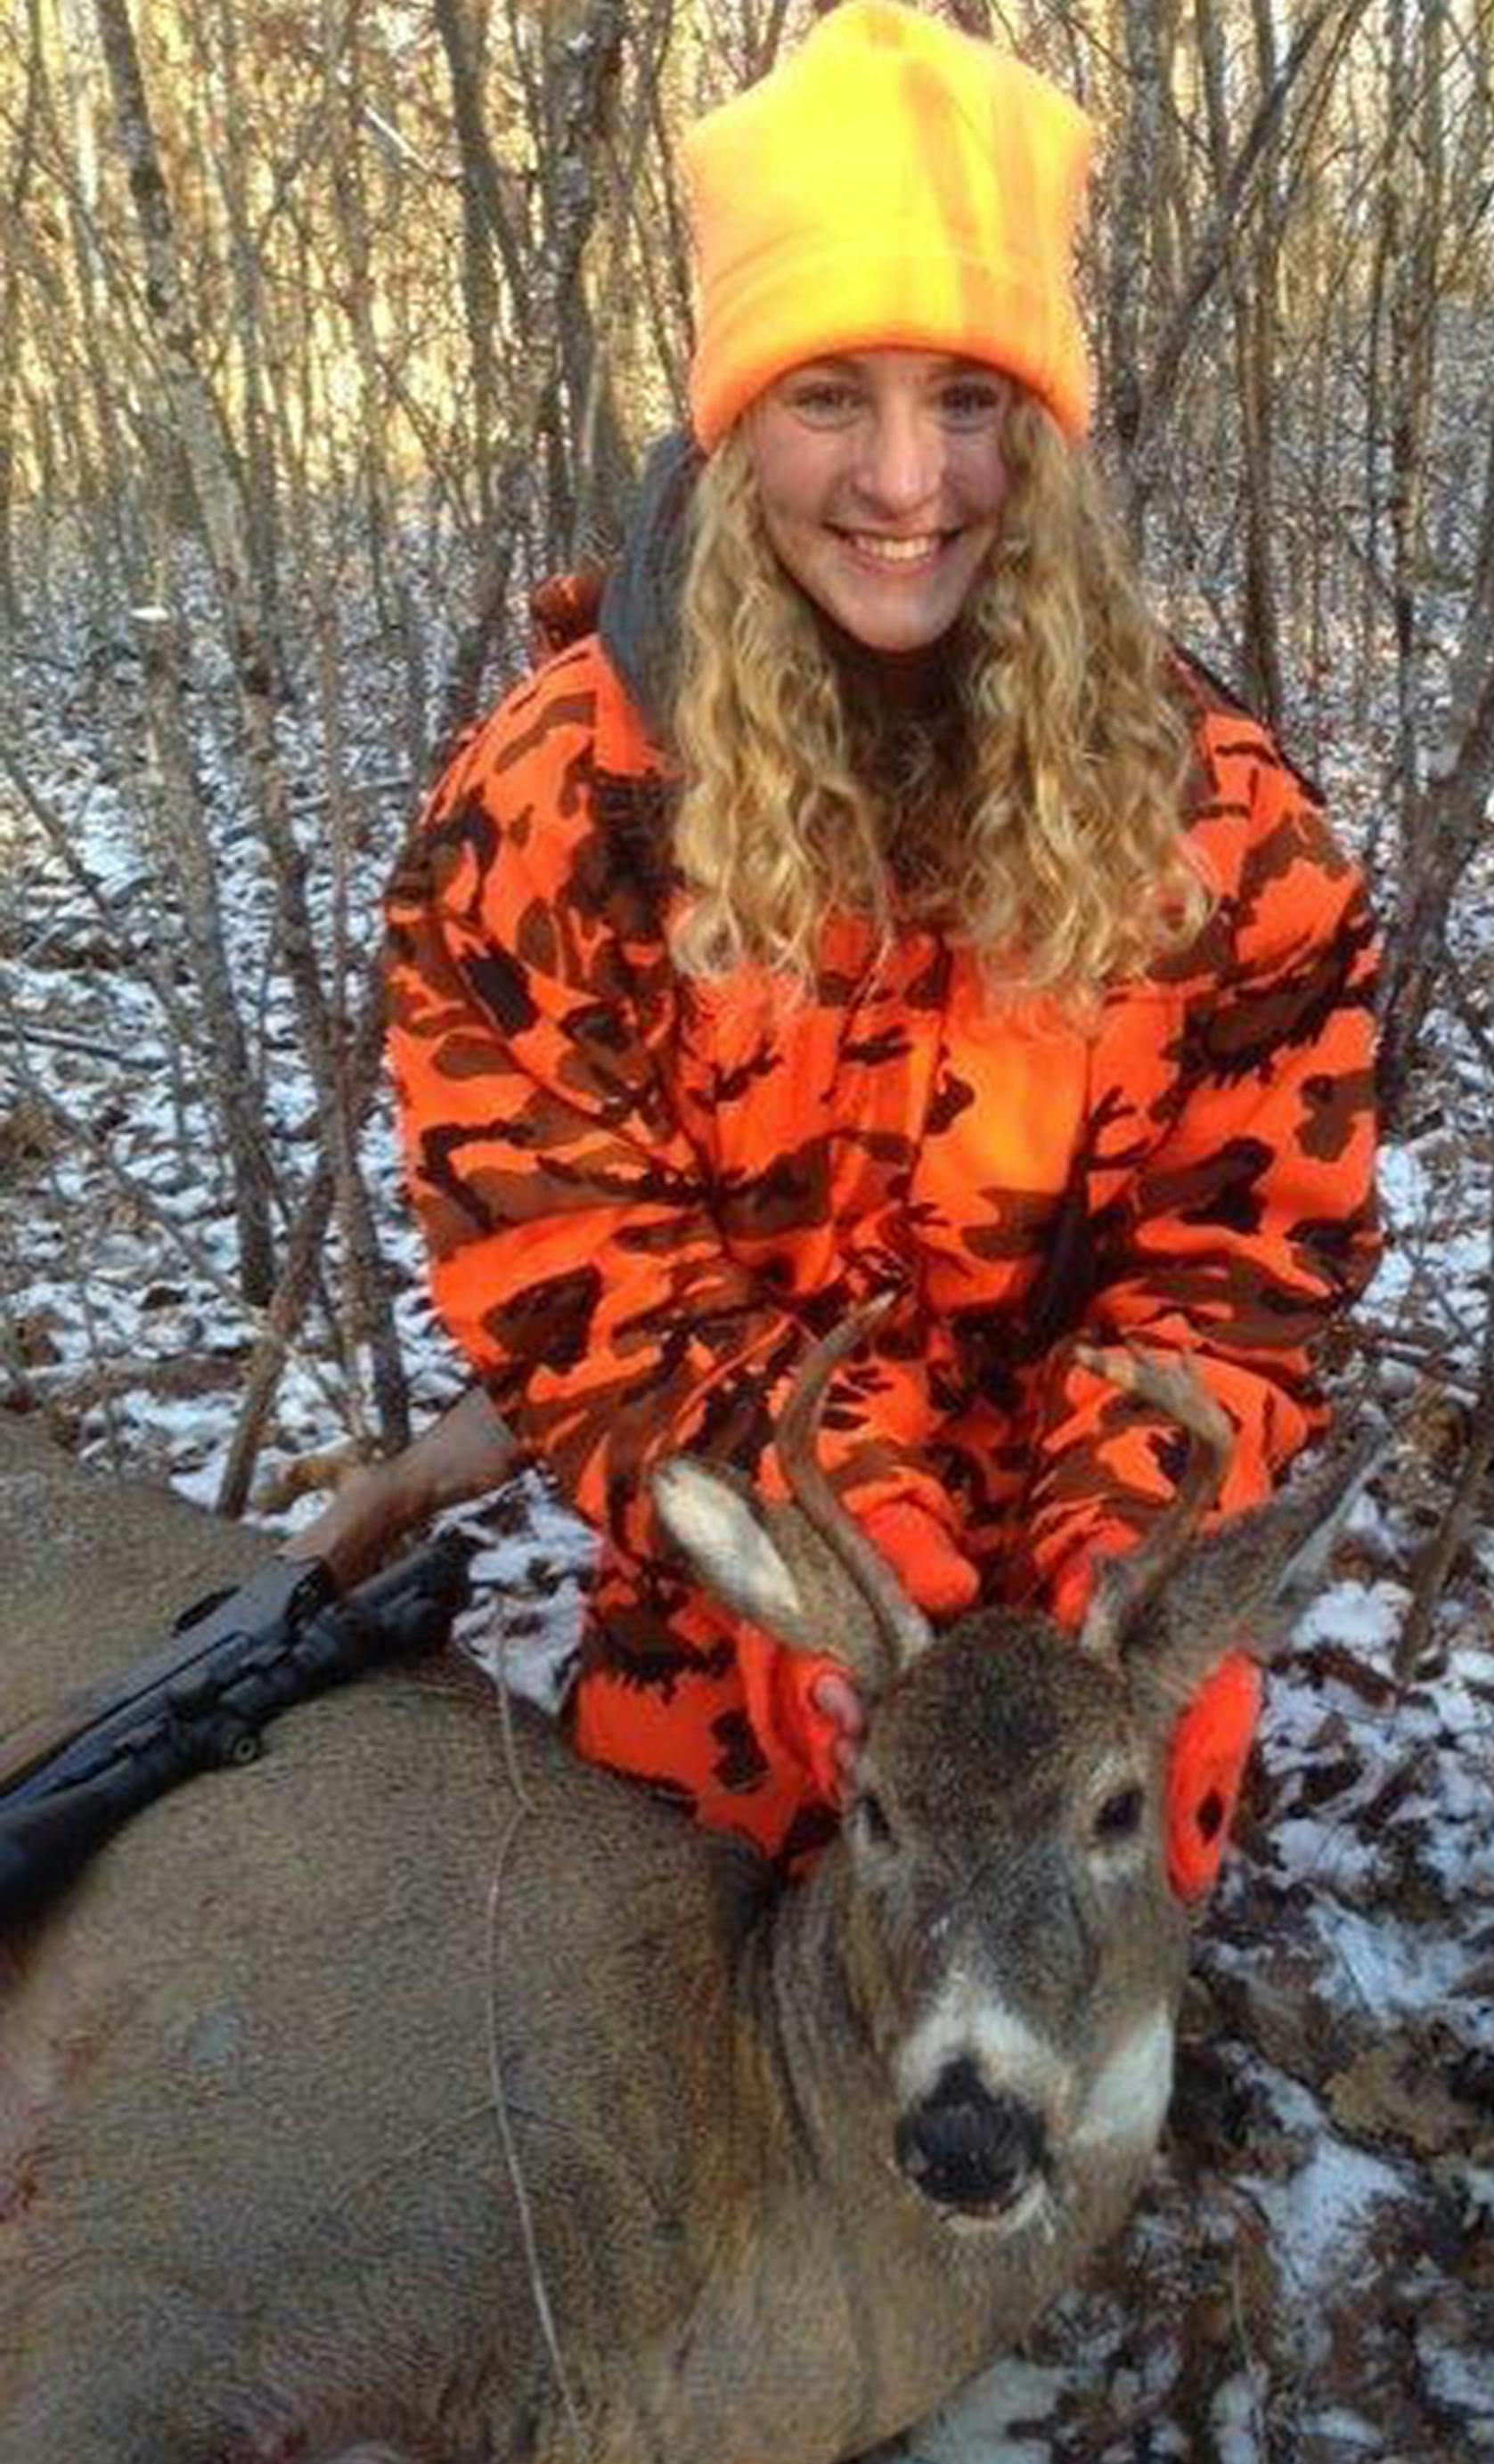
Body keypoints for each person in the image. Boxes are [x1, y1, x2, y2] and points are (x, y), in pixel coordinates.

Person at [303, 0, 1380, 1899]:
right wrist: (830, 1553)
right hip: (754, 1597)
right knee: (702, 2039)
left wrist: (1139, 1594)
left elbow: (1244, 1251)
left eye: (967, 399)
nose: (905, 481)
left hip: (1086, 1632)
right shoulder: (556, 808)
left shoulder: (1218, 821)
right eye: (828, 396)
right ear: (733, 423)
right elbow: (569, 1256)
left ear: (1040, 436)